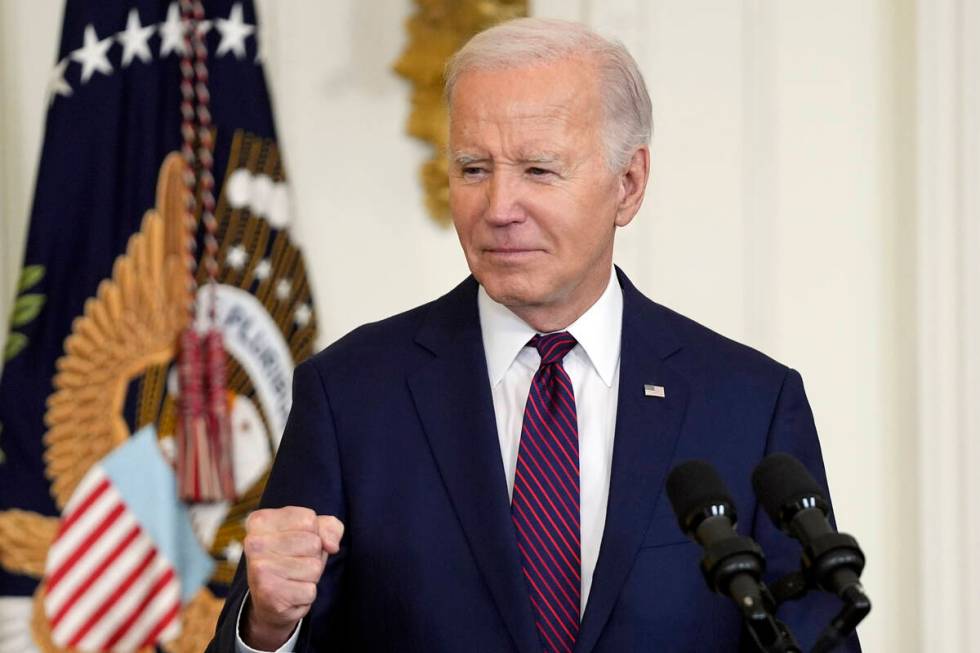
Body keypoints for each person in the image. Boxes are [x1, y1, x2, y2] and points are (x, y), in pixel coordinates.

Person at [208, 18, 860, 653]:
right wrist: (267, 631)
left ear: (628, 185)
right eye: (472, 169)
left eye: (539, 171)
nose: (497, 208)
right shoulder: (350, 394)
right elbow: (274, 617)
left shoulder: (750, 404)